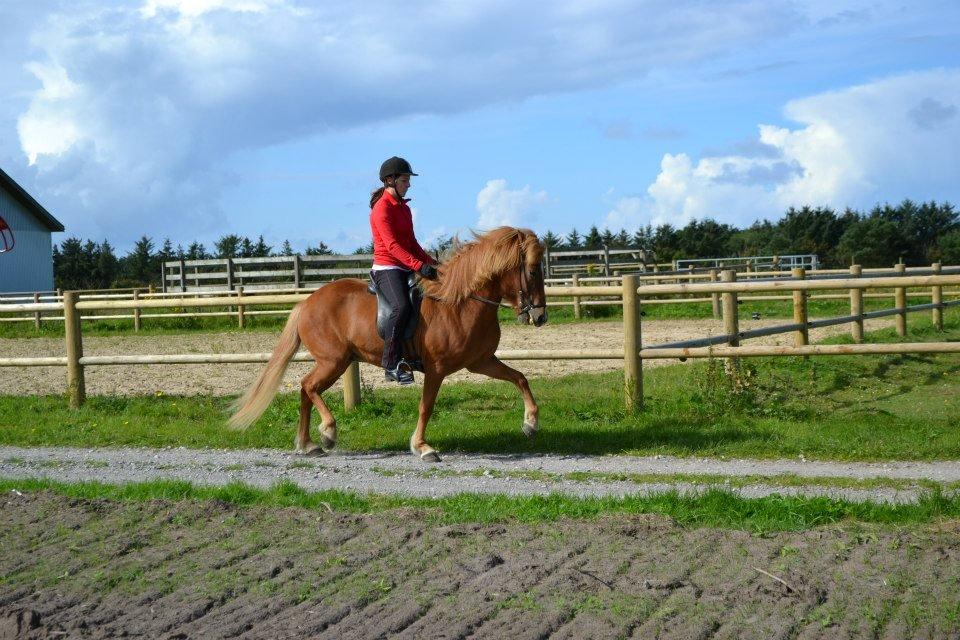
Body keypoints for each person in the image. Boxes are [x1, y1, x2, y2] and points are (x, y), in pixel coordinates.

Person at [369, 156, 438, 384]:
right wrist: (418, 266)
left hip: (404, 265)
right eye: (405, 180)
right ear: (390, 180)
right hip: (387, 267)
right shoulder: (382, 209)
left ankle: (416, 354)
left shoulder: (404, 209)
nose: (408, 184)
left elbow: (411, 243)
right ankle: (390, 365)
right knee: (401, 306)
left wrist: (433, 265)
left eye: (408, 180)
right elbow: (392, 246)